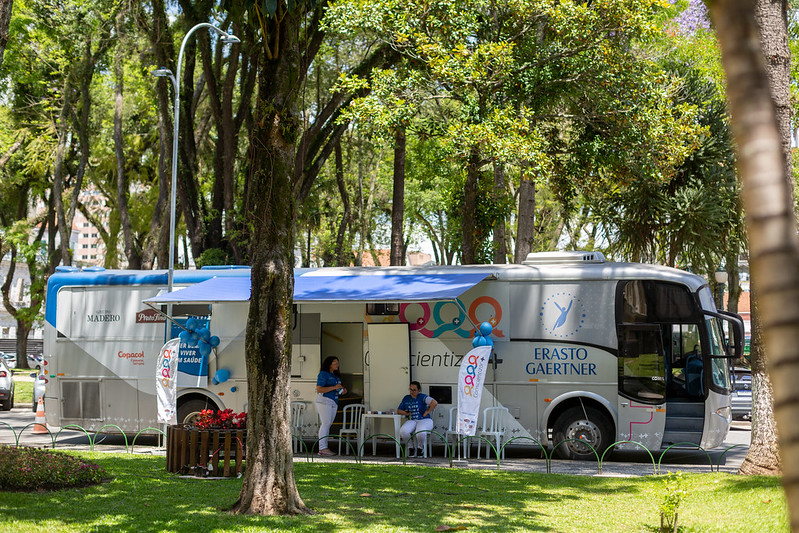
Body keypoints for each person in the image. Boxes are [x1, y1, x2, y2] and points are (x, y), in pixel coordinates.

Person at [397, 381, 437, 457]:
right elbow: (399, 410)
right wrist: (406, 413)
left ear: (419, 390)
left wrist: (427, 411)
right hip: (412, 420)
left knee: (420, 432)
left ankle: (420, 448)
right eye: (410, 389)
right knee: (403, 431)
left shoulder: (422, 397)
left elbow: (434, 403)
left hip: (424, 420)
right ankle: (411, 447)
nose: (412, 392)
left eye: (414, 390)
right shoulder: (406, 398)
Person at [316, 356, 346, 456]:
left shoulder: (336, 376)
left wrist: (343, 390)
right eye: (335, 363)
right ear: (329, 364)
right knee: (325, 423)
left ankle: (324, 446)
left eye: (338, 363)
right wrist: (334, 387)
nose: (337, 365)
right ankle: (322, 448)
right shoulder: (323, 374)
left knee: (328, 424)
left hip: (334, 401)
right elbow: (319, 389)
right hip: (325, 400)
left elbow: (337, 388)